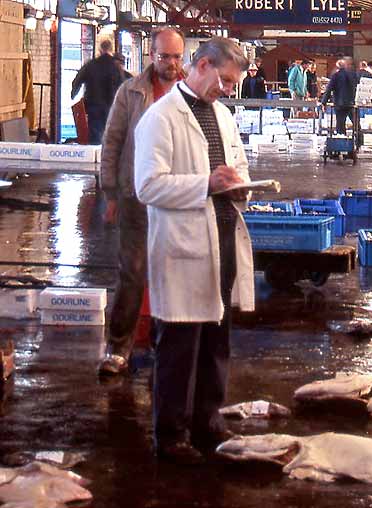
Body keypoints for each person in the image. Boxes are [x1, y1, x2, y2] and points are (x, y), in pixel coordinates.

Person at [134, 36, 254, 465]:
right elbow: (147, 186)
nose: (228, 90)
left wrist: (241, 185)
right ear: (200, 65)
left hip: (221, 242)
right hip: (182, 248)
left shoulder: (223, 115)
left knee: (216, 340)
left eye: (232, 84)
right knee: (179, 346)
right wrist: (205, 184)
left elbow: (236, 167)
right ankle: (170, 436)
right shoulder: (160, 118)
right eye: (223, 80)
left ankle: (209, 420)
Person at [97, 28, 186, 377]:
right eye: (165, 56)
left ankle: (170, 349)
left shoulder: (191, 93)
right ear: (152, 55)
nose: (171, 63)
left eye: (177, 56)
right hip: (136, 197)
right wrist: (110, 193)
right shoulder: (130, 92)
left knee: (174, 274)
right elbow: (112, 142)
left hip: (177, 199)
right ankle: (119, 347)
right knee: (132, 273)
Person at [71, 39, 124, 144]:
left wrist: (73, 93)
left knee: (95, 132)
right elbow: (122, 86)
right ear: (111, 49)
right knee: (109, 132)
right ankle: (107, 155)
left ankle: (95, 156)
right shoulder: (115, 67)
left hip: (93, 104)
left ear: (100, 49)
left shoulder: (91, 65)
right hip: (110, 105)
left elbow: (78, 79)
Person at [321, 57, 357, 135]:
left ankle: (341, 141)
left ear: (337, 66)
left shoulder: (335, 76)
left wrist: (323, 102)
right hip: (351, 103)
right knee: (356, 123)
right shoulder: (352, 75)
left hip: (339, 104)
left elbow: (328, 90)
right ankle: (359, 141)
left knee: (340, 124)